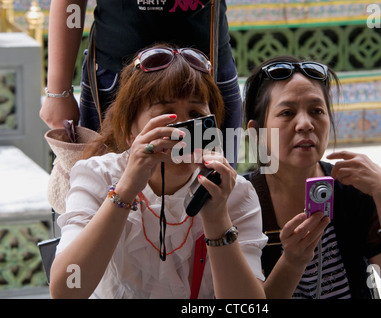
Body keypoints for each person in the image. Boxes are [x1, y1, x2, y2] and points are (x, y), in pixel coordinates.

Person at [49, 44, 267, 299]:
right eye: (167, 115)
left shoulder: (234, 192)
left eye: (197, 114)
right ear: (130, 130)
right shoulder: (98, 176)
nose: (183, 129)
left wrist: (217, 218)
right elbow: (66, 291)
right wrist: (125, 191)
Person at [243, 55, 381, 299]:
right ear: (257, 133)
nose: (305, 124)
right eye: (287, 112)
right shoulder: (242, 201)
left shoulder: (353, 188)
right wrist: (292, 261)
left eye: (317, 110)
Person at [40, 0, 241, 166]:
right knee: (109, 186)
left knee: (208, 188)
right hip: (117, 79)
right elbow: (72, 5)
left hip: (205, 76)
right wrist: (58, 92)